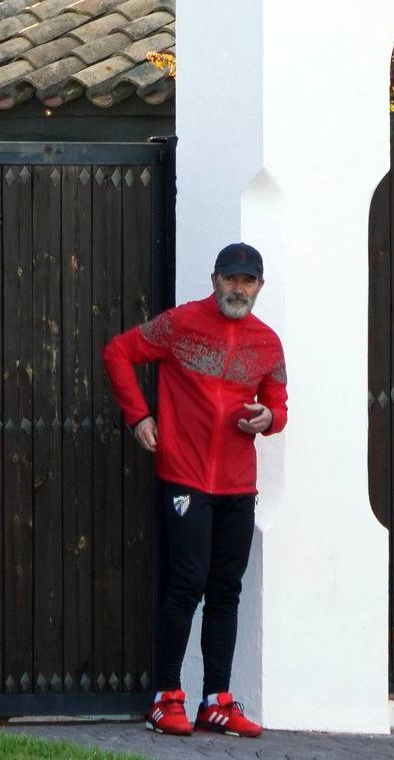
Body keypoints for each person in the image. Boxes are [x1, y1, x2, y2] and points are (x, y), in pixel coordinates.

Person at [103, 243, 287, 738]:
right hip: (183, 476)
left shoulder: (268, 343)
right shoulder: (180, 325)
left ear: (260, 288)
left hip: (236, 483)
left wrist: (268, 418)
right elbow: (118, 352)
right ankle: (166, 697)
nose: (238, 288)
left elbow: (278, 404)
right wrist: (138, 415)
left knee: (226, 589)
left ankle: (217, 700)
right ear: (214, 280)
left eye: (248, 281)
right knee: (186, 583)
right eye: (230, 278)